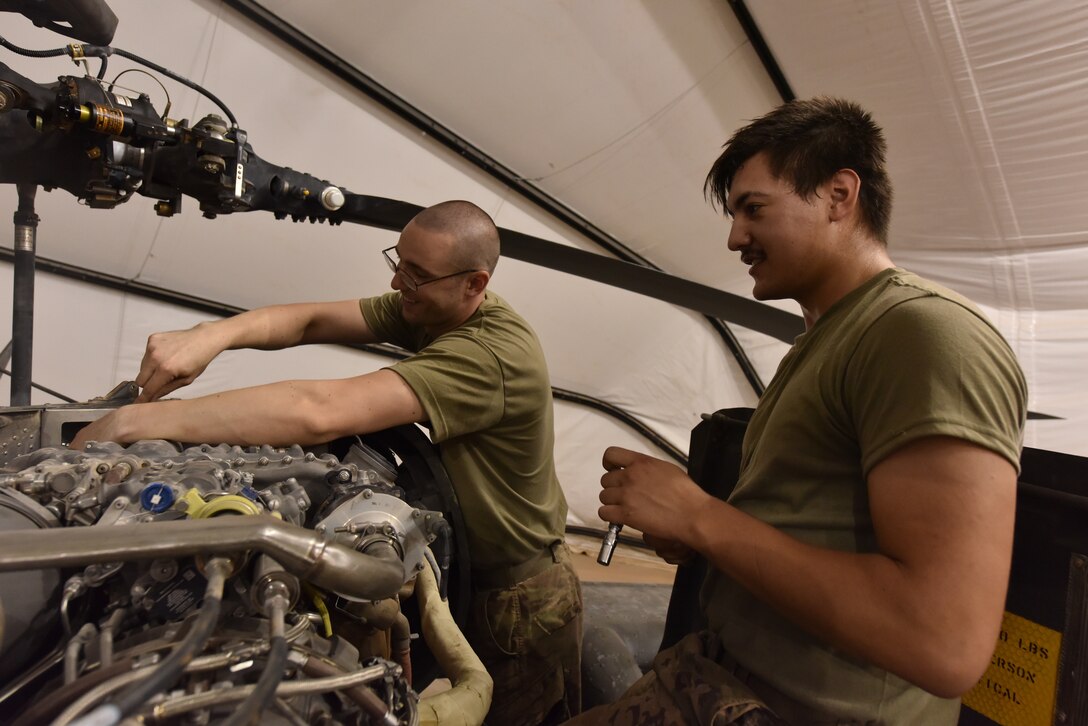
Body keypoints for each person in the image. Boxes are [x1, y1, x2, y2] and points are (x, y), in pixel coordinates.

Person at [564, 98, 1027, 725]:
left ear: (839, 195)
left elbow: (942, 641)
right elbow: (815, 528)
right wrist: (698, 537)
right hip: (720, 684)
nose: (734, 238)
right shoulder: (826, 340)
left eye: (754, 208)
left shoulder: (924, 334)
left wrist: (703, 519)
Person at [71, 200, 583, 725]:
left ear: (474, 284)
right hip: (473, 568)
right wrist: (209, 336)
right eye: (398, 264)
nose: (397, 285)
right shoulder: (434, 304)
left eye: (418, 275)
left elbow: (320, 411)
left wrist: (132, 424)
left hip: (520, 601)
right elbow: (309, 320)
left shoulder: (490, 354)